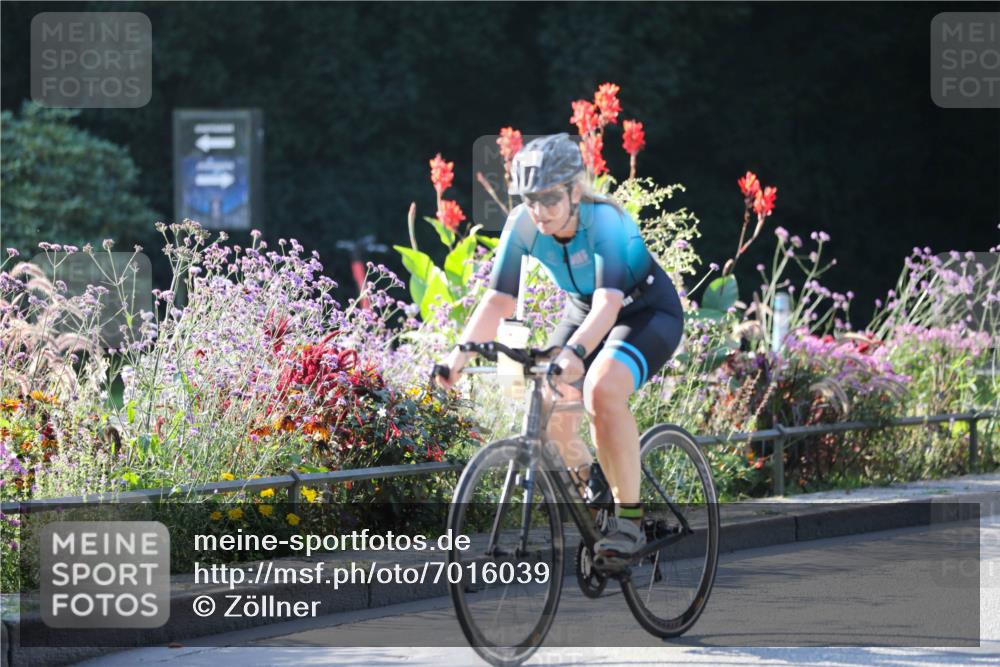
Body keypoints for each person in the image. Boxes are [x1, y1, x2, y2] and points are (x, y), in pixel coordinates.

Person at [434, 133, 684, 563]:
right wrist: (457, 357)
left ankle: (630, 519)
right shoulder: (524, 223)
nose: (539, 211)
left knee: (600, 390)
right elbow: (499, 300)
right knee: (546, 400)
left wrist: (574, 354)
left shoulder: (603, 220)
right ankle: (595, 483)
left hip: (644, 311)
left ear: (573, 190)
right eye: (529, 199)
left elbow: (609, 304)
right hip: (583, 310)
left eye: (550, 198)